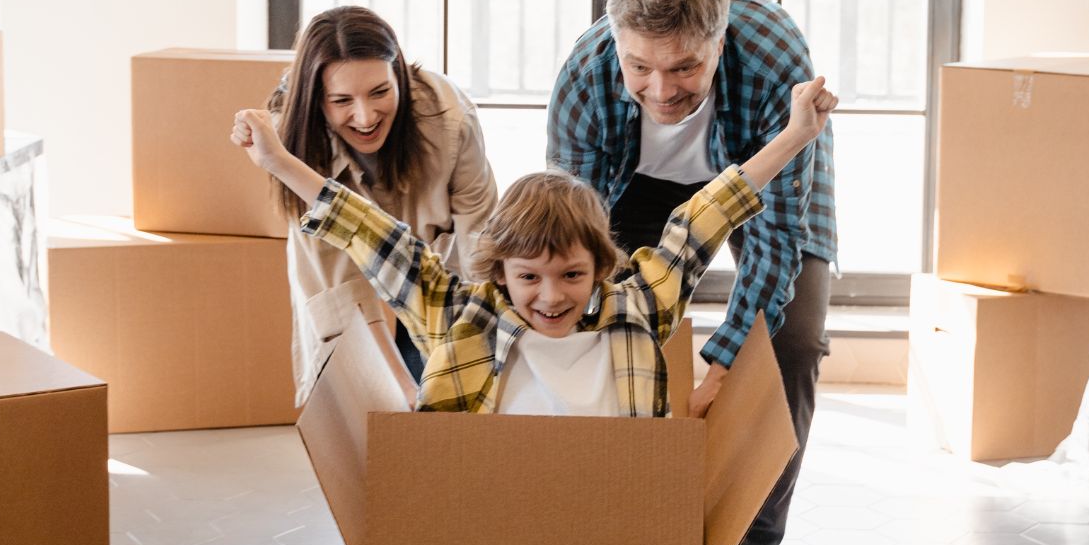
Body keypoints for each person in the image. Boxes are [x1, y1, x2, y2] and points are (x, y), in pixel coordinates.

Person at [231, 75, 833, 418]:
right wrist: (279, 162)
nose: (550, 297)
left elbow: (705, 218)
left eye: (572, 276)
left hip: (610, 515)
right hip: (490, 515)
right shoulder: (461, 318)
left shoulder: (638, 308)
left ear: (602, 268)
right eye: (529, 278)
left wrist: (796, 135)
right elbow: (369, 230)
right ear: (499, 274)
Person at [548, 0, 837, 545]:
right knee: (603, 332)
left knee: (790, 343)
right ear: (615, 43)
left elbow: (776, 237)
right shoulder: (584, 79)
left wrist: (725, 357)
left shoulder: (774, 59)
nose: (660, 89)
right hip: (632, 188)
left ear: (719, 39)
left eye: (685, 68)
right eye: (639, 67)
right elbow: (576, 242)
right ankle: (615, 528)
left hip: (759, 178)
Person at [251, 5, 497, 545]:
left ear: (400, 76)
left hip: (440, 266)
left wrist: (460, 355)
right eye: (342, 102)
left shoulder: (449, 117)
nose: (365, 116)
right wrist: (401, 395)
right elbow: (344, 298)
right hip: (344, 274)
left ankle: (469, 544)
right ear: (317, 100)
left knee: (461, 392)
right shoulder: (292, 141)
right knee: (370, 405)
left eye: (380, 91)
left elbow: (482, 241)